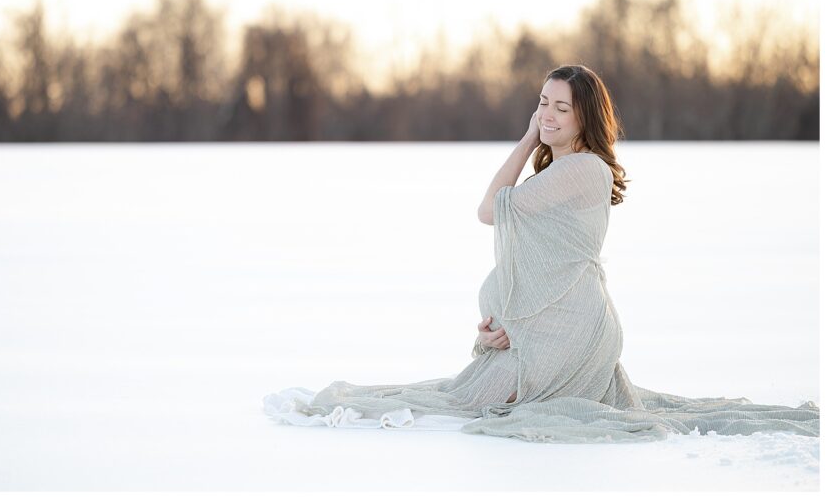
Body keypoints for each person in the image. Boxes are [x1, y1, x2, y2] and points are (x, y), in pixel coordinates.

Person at [263, 65, 819, 442]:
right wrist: (500, 325)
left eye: (560, 109)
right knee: (467, 395)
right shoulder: (564, 169)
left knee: (473, 407)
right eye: (541, 105)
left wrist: (528, 139)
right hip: (547, 322)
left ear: (585, 118)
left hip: (570, 328)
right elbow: (524, 245)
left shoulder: (582, 169)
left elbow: (489, 209)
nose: (548, 116)